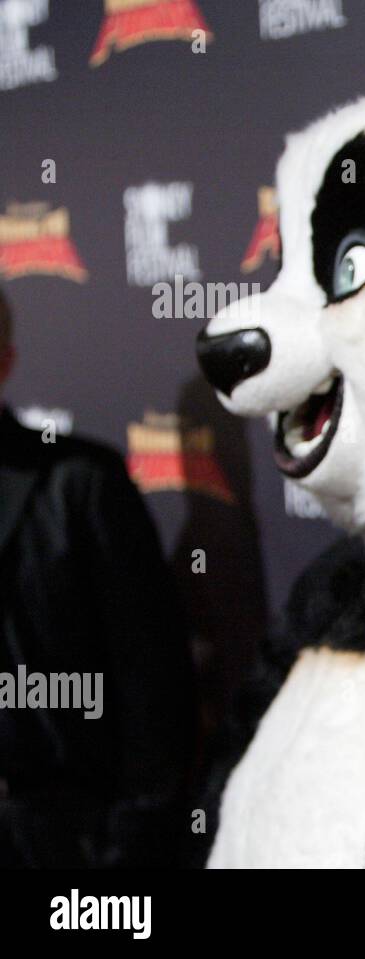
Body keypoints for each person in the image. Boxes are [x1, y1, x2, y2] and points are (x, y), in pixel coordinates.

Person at [0, 286, 197, 867]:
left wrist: (126, 842)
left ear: (5, 361)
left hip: (62, 843)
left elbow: (153, 680)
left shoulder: (83, 484)